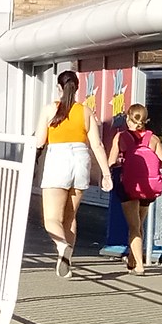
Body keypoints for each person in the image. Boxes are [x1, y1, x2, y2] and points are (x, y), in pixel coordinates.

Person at [34, 70, 113, 278]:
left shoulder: (50, 109)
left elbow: (40, 141)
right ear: (77, 88)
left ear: (59, 88)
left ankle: (61, 246)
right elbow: (96, 145)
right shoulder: (86, 111)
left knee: (51, 218)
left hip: (58, 159)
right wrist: (106, 173)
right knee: (70, 216)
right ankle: (67, 264)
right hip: (80, 160)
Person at [107, 103, 162, 276]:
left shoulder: (120, 137)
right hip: (148, 188)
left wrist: (121, 163)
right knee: (139, 224)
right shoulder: (154, 139)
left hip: (128, 186)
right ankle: (132, 260)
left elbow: (111, 161)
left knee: (134, 226)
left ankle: (139, 266)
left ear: (128, 118)